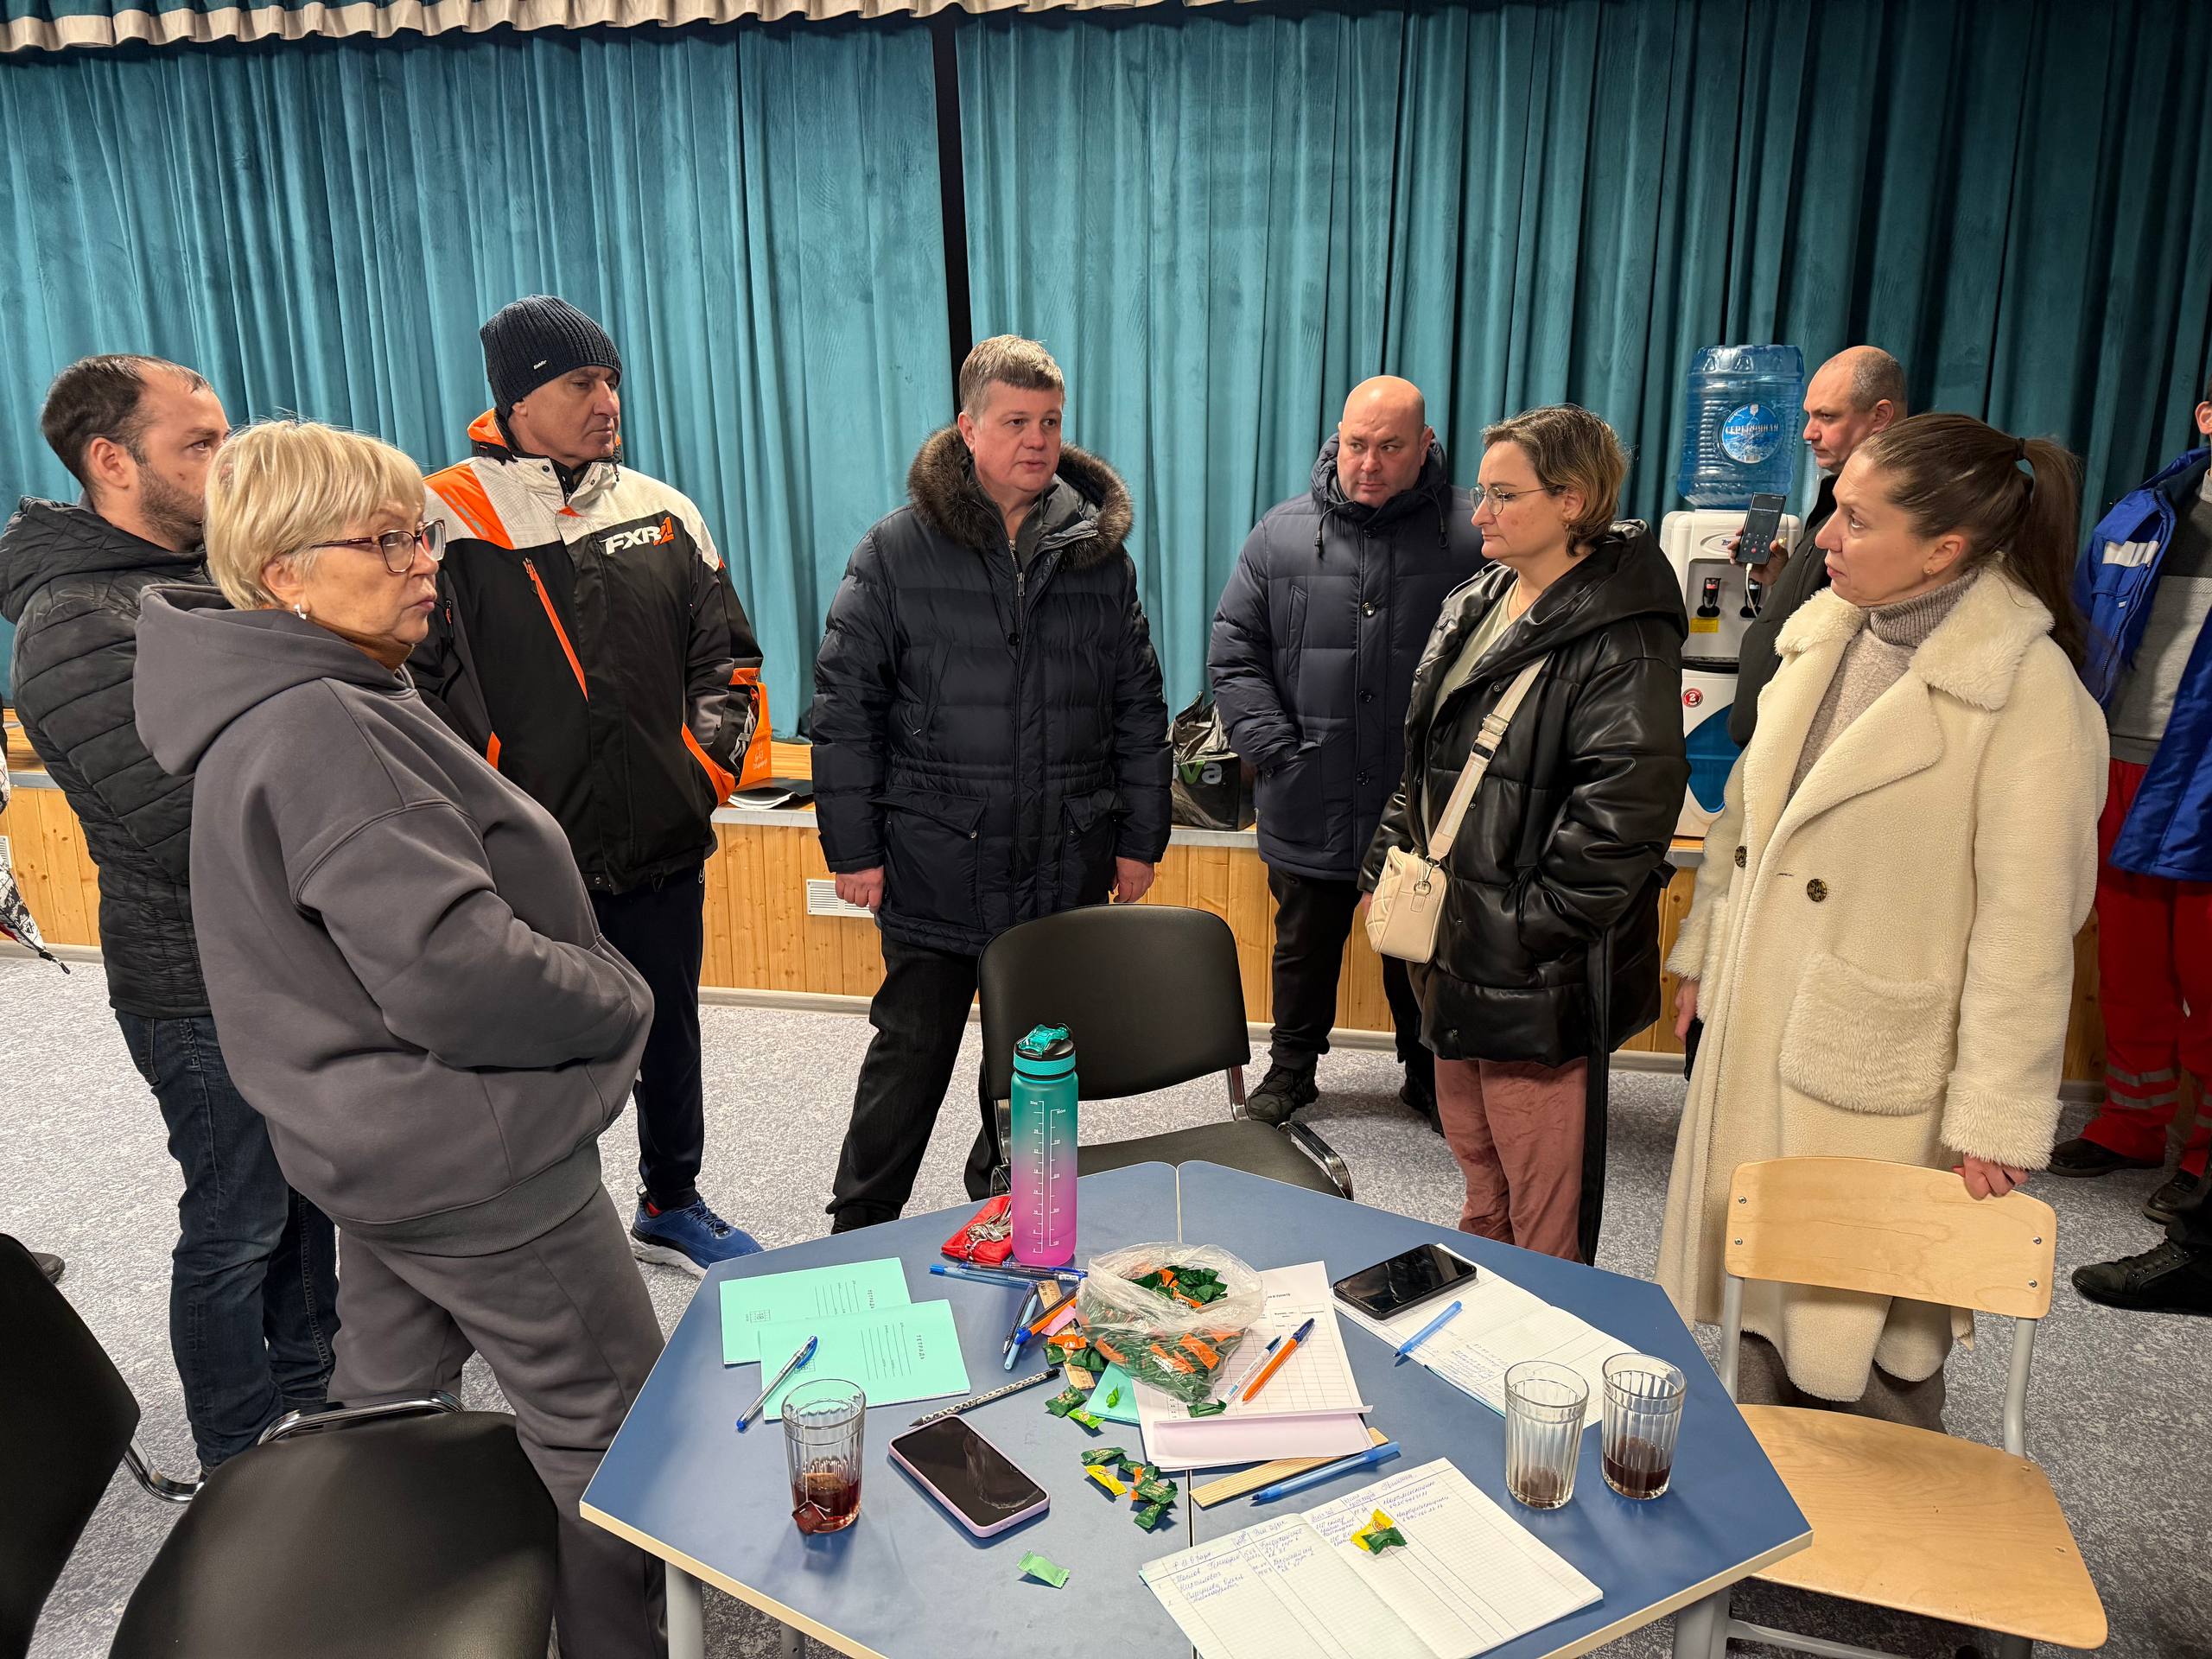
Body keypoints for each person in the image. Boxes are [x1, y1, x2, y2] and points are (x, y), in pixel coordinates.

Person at [135, 420, 668, 1658]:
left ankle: (376, 1620)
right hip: (475, 1161)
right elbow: (456, 975)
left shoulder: (279, 698)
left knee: (386, 1413)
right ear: (284, 574)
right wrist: (618, 998)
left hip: (374, 1147)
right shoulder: (325, 722)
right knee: (620, 1434)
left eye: (418, 533)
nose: (425, 560)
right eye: (385, 542)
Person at [1661, 413, 2106, 1429]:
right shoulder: (1824, 633)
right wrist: (1706, 957)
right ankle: (1759, 1494)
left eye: (1856, 521)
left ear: (1943, 549)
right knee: (1747, 1313)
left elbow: (2030, 931)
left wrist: (1995, 1111)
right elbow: (1747, 824)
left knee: (1858, 1329)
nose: (1824, 536)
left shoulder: (2027, 694)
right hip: (1758, 1022)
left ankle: (1882, 1512)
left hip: (1873, 1059)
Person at [0, 355, 337, 1468]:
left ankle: (318, 1392)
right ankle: (239, 1453)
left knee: (305, 1197)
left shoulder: (201, 577)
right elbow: (184, 822)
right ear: (111, 461)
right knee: (238, 1221)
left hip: (277, 960)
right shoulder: (75, 619)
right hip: (194, 984)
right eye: (199, 443)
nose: (227, 461)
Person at [414, 296, 765, 1274]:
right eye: (580, 382)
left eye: (611, 379)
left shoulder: (665, 510)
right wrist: (480, 813)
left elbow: (729, 663)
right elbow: (414, 690)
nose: (606, 399)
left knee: (667, 1030)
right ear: (518, 399)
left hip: (660, 839)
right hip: (519, 858)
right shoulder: (439, 516)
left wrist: (699, 775)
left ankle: (671, 1202)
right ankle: (535, 1228)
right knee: (527, 1050)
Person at [813, 335, 1170, 1230]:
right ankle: (857, 1225)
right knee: (910, 1054)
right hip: (937, 858)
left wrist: (1140, 837)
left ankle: (1021, 1221)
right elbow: (846, 708)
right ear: (968, 429)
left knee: (1037, 1066)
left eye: (1050, 421)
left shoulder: (1100, 557)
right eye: (1015, 422)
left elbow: (1138, 705)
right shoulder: (894, 551)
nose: (1037, 440)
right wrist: (852, 849)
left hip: (1061, 863)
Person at [1359, 405, 1687, 1263]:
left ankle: (1543, 1337)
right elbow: (1424, 757)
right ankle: (1479, 1315)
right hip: (1453, 944)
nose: (1479, 513)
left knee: (1544, 1214)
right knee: (1480, 1177)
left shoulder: (1624, 633)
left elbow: (1624, 820)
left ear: (1571, 500)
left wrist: (1521, 931)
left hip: (1530, 969)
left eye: (1504, 495)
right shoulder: (1478, 600)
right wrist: (1386, 864)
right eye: (1481, 491)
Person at [1209, 376, 1482, 1128]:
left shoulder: (1474, 535)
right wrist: (1277, 751)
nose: (1369, 463)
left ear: (1425, 446)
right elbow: (1234, 652)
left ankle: (1425, 1073)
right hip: (1311, 787)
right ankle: (1292, 1069)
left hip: (1424, 801)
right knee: (1303, 946)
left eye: (1390, 447)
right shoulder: (1281, 533)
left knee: (1419, 943)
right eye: (1357, 444)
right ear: (1338, 436)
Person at [2047, 373, 2212, 1220]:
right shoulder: (2142, 515)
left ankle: (2207, 1157)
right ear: (2206, 417)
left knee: (2208, 972)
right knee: (2130, 962)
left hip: (2205, 777)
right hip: (2119, 761)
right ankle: (2132, 1122)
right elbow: (2080, 631)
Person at [1729, 346, 1908, 747]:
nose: (1809, 433)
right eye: (1809, 416)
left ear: (1880, 416)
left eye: (1827, 417)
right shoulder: (1836, 497)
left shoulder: (1897, 512)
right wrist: (1785, 577)